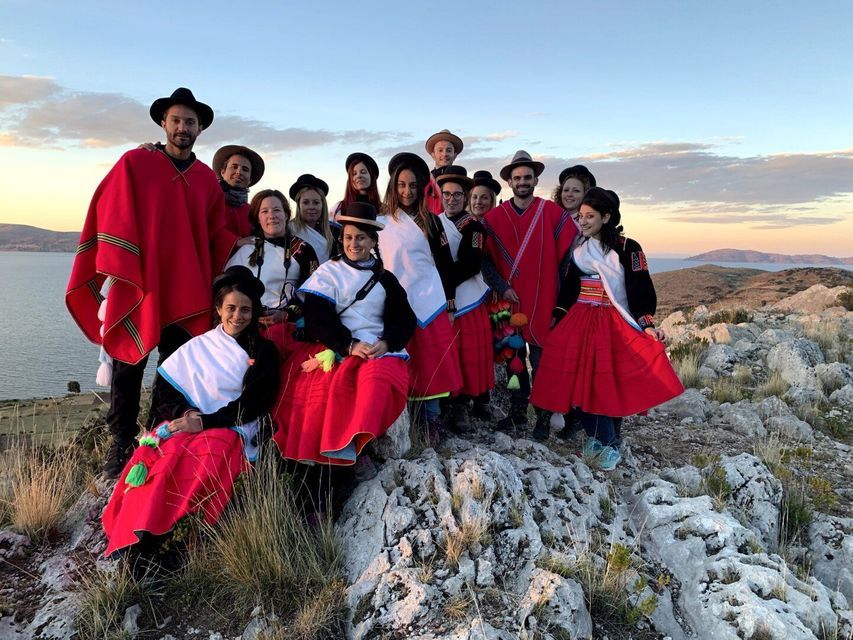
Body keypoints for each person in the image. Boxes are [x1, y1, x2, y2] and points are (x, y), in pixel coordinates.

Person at [66, 87, 237, 479]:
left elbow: (215, 232)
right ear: (164, 123)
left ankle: (157, 437)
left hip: (188, 290)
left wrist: (240, 242)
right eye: (176, 120)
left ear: (199, 129)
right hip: (142, 285)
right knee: (128, 366)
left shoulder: (207, 180)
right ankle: (120, 444)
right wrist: (121, 262)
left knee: (174, 370)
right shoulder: (136, 163)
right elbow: (108, 206)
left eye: (190, 122)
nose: (182, 127)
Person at [101, 266, 279, 556]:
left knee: (208, 455)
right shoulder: (197, 346)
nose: (238, 316)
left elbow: (255, 402)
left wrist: (207, 422)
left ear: (253, 312)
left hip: (232, 426)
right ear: (219, 309)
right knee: (166, 457)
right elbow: (167, 394)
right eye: (231, 308)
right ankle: (138, 534)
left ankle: (180, 537)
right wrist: (187, 414)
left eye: (245, 310)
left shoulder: (263, 352)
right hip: (190, 420)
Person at [272, 203, 416, 507]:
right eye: (349, 238)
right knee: (329, 386)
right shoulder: (328, 273)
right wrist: (347, 345)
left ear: (373, 242)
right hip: (336, 344)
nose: (354, 244)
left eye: (362, 238)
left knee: (375, 380)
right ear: (342, 239)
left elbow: (404, 318)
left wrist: (388, 343)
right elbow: (317, 318)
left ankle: (358, 446)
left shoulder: (386, 278)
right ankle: (328, 464)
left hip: (377, 346)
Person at [530, 188, 684, 467]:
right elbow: (569, 290)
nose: (584, 222)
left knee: (602, 384)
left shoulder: (628, 248)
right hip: (580, 320)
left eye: (590, 216)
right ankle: (597, 441)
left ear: (607, 216)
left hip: (612, 321)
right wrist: (557, 316)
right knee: (582, 383)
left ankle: (608, 444)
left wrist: (646, 323)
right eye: (581, 217)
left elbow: (641, 288)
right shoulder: (579, 251)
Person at [481, 150, 577, 434]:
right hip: (507, 301)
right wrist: (502, 286)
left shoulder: (552, 213)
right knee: (513, 360)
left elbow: (567, 259)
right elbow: (484, 260)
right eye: (517, 177)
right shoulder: (495, 218)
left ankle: (544, 417)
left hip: (542, 299)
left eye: (527, 177)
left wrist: (555, 293)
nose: (522, 182)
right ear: (509, 182)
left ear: (536, 179)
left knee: (541, 362)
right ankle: (517, 412)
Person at [378, 152, 462, 439]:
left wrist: (450, 304)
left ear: (422, 187)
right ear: (393, 186)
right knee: (403, 361)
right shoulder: (381, 222)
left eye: (413, 185)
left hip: (429, 298)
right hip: (395, 301)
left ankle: (432, 419)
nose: (407, 191)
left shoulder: (433, 222)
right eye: (401, 185)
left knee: (432, 363)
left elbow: (445, 265)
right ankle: (401, 420)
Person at [226, 189, 319, 357]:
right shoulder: (246, 249)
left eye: (277, 210)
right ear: (257, 218)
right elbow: (227, 291)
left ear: (286, 214)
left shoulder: (303, 250)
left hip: (286, 325)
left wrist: (286, 313)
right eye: (265, 211)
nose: (271, 215)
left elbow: (313, 294)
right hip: (246, 324)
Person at [436, 166, 494, 431]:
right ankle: (445, 400)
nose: (451, 199)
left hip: (465, 295)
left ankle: (464, 404)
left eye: (457, 194)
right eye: (446, 194)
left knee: (467, 354)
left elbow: (471, 264)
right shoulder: (434, 222)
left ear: (465, 196)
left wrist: (442, 280)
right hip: (441, 296)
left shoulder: (473, 227)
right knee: (447, 353)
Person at [212, 144, 265, 237]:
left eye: (245, 169)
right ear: (223, 172)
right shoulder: (208, 203)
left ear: (250, 180)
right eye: (234, 167)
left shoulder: (253, 213)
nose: (239, 172)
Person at [288, 174, 338, 263]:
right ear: (298, 205)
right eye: (306, 202)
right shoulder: (288, 230)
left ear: (322, 205)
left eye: (316, 202)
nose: (311, 207)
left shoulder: (332, 233)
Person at [331, 152, 382, 221]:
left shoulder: (384, 210)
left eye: (363, 172)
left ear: (372, 176)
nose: (358, 176)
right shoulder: (338, 208)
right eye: (354, 174)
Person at [424, 129, 464, 214]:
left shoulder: (462, 180)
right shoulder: (425, 180)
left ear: (455, 155)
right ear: (433, 155)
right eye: (440, 150)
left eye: (449, 150)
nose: (444, 154)